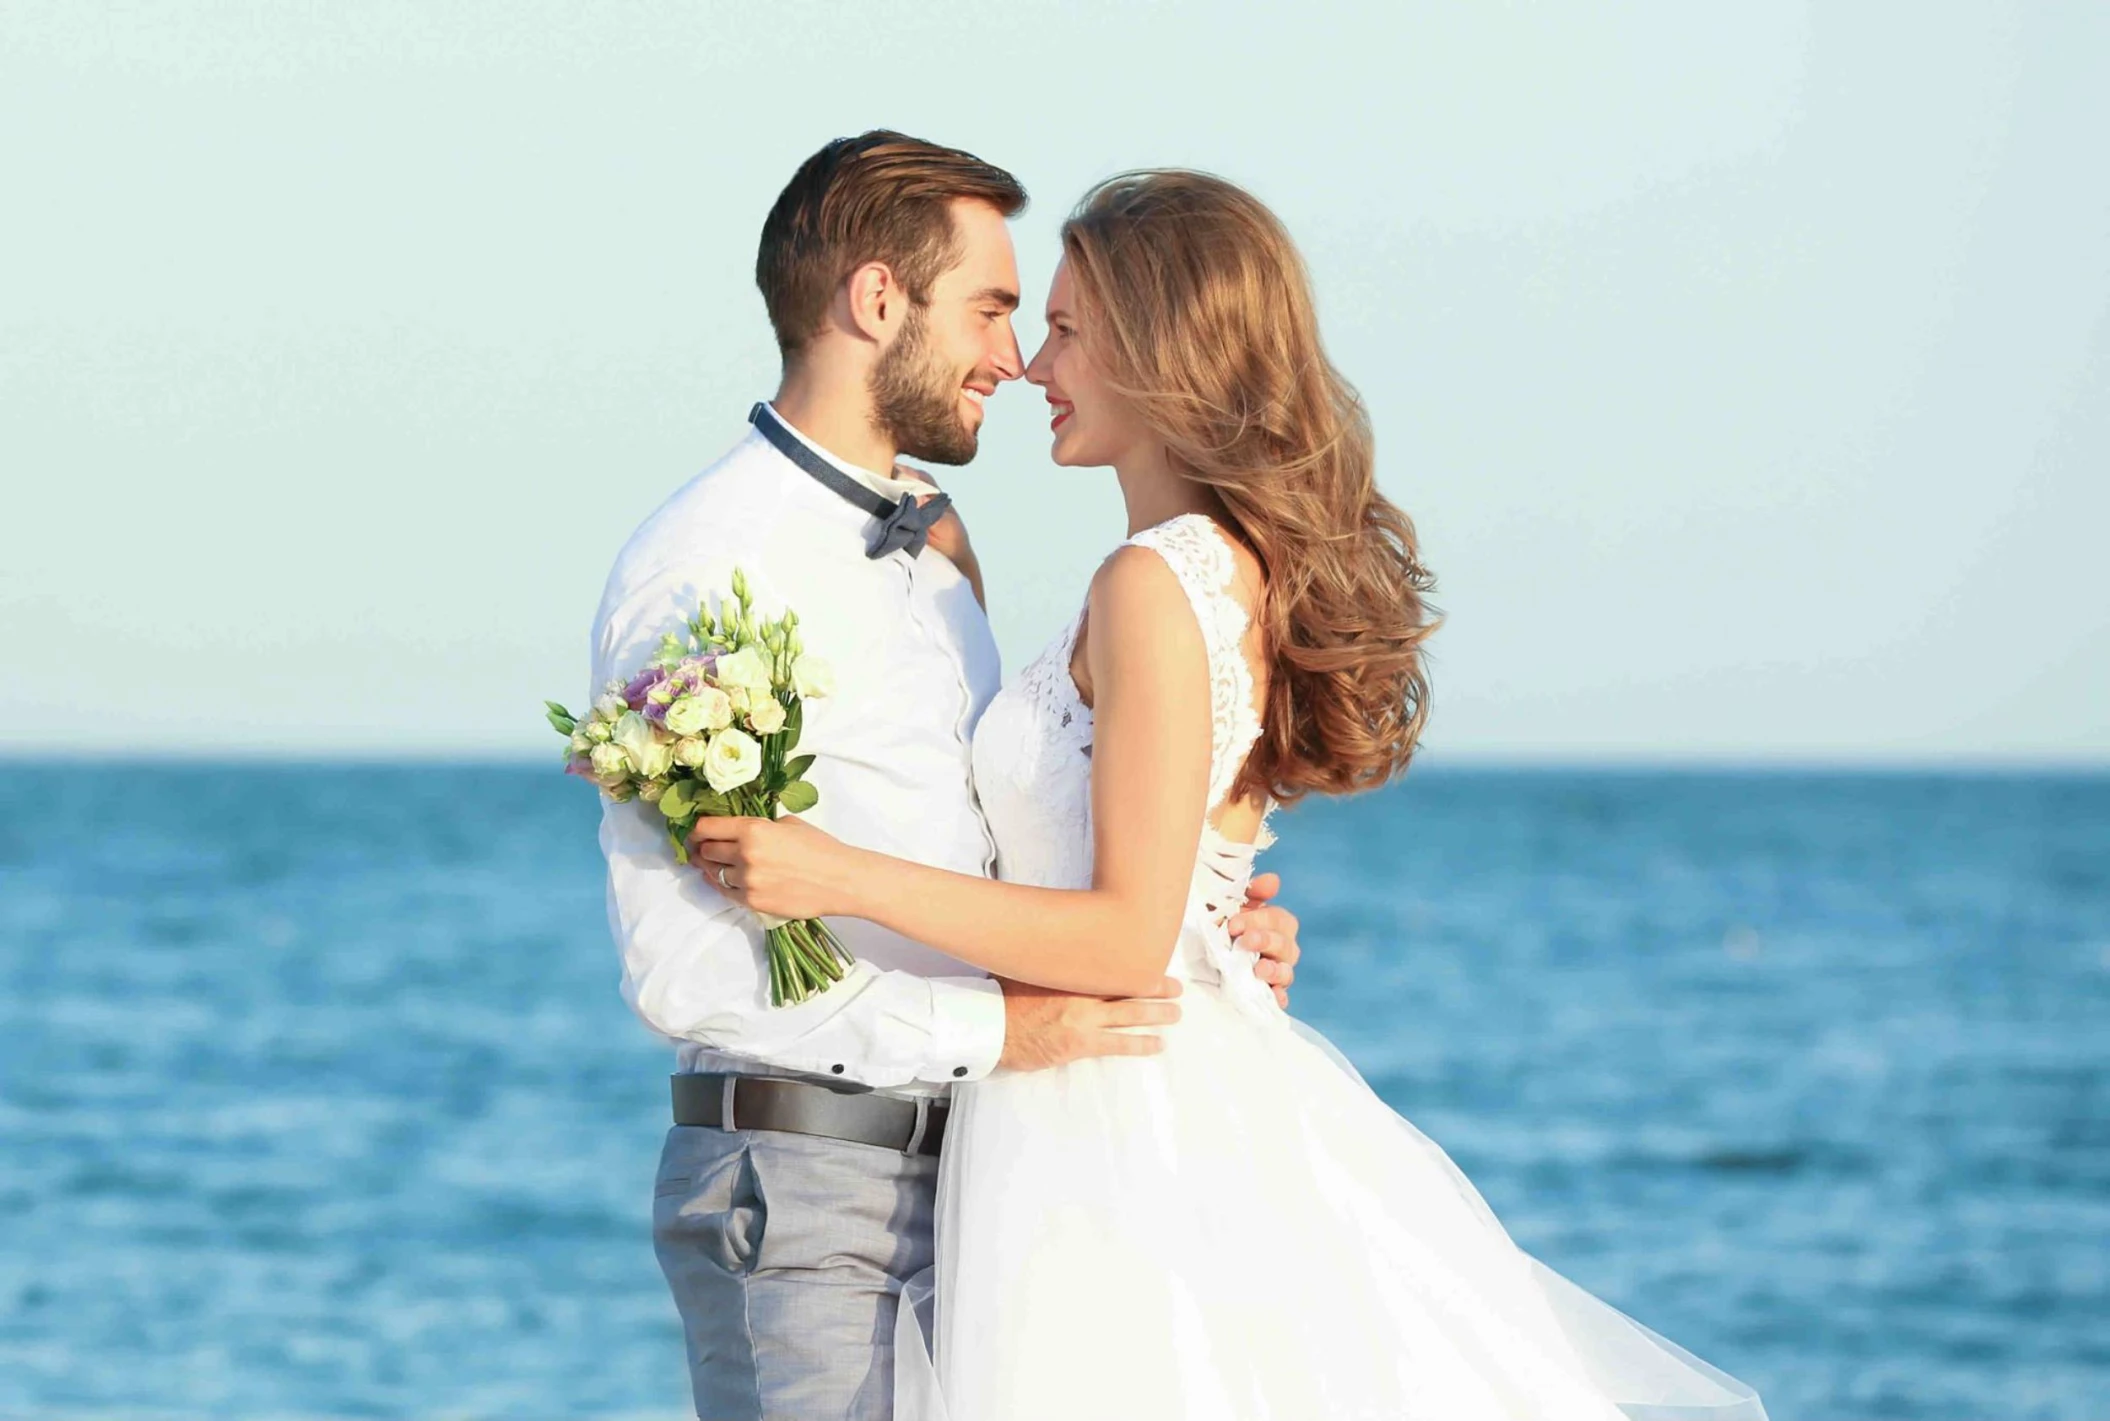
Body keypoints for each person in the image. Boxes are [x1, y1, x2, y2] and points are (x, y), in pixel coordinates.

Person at [693, 170, 1770, 1420]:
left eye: (1068, 331)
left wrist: (833, 874)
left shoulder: (1152, 581)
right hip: (1154, 1080)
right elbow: (1150, 875)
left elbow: (1119, 933)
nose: (1036, 365)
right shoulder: (1222, 571)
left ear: (1159, 355)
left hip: (1109, 1117)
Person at [587, 134, 1305, 1421]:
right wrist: (1003, 1030)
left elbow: (1006, 833)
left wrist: (1201, 930)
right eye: (990, 307)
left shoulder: (937, 551)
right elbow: (686, 967)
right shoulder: (705, 560)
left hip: (998, 1176)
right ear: (876, 302)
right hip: (812, 1189)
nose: (1013, 357)